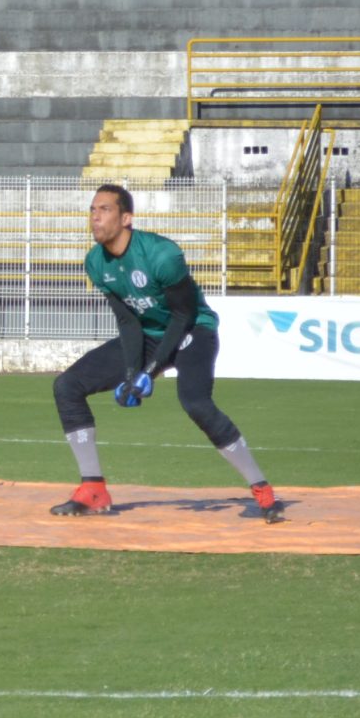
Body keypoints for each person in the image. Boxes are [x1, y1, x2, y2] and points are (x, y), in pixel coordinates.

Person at [51, 184, 281, 522]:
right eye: (92, 210)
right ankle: (93, 488)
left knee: (195, 403)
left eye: (104, 209)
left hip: (192, 330)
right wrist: (132, 374)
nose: (95, 217)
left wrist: (150, 371)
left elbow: (183, 314)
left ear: (126, 217)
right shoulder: (95, 262)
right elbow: (128, 322)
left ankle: (263, 491)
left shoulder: (162, 254)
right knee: (66, 386)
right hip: (147, 334)